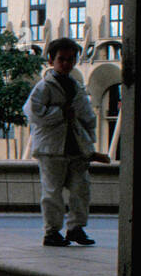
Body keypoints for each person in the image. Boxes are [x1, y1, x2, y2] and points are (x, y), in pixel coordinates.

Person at [24, 37, 99, 247]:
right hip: (51, 149)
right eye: (61, 59)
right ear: (51, 60)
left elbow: (87, 118)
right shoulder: (43, 87)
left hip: (76, 148)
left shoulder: (76, 87)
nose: (66, 63)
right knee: (52, 193)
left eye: (70, 59)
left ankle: (75, 228)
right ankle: (52, 232)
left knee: (80, 190)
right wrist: (60, 113)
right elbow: (33, 113)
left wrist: (89, 144)